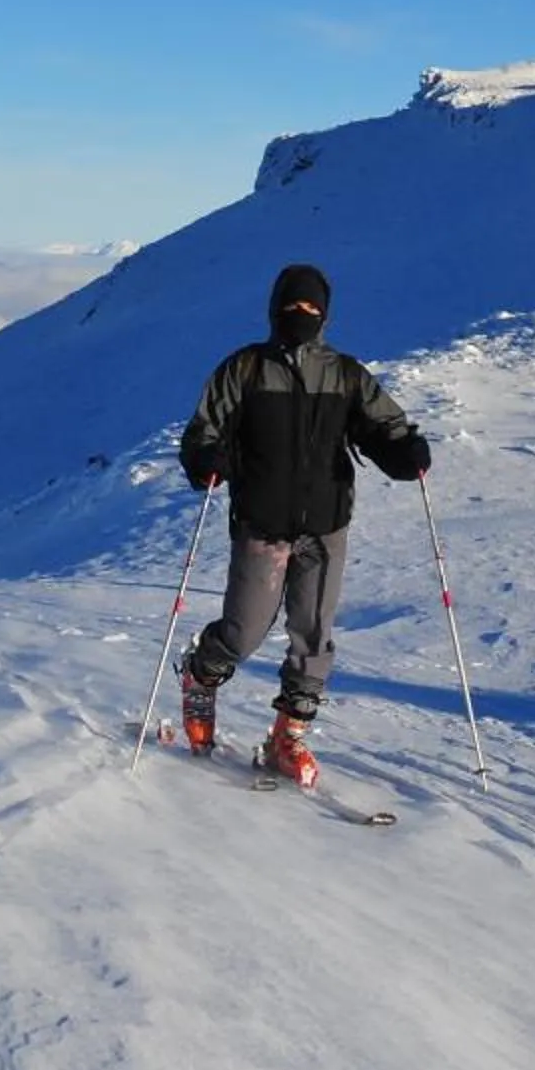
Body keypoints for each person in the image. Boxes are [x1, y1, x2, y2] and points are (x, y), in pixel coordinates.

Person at [176, 262, 429, 787]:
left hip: (326, 523)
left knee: (313, 636)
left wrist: (404, 450)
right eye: (293, 305)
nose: (302, 314)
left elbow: (383, 425)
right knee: (243, 632)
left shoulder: (345, 375)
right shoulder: (245, 369)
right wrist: (204, 458)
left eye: (312, 307)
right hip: (263, 523)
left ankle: (287, 737)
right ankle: (201, 676)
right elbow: (205, 429)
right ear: (275, 311)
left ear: (325, 315)